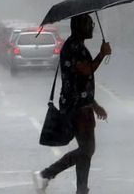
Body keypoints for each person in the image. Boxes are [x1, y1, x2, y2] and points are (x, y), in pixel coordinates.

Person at [33, 13, 112, 194]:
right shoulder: (72, 47)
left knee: (86, 151)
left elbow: (81, 82)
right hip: (76, 108)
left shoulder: (78, 46)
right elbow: (85, 70)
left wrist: (94, 104)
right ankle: (46, 174)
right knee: (87, 149)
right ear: (79, 27)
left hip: (82, 105)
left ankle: (81, 189)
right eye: (88, 24)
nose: (92, 27)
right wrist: (102, 54)